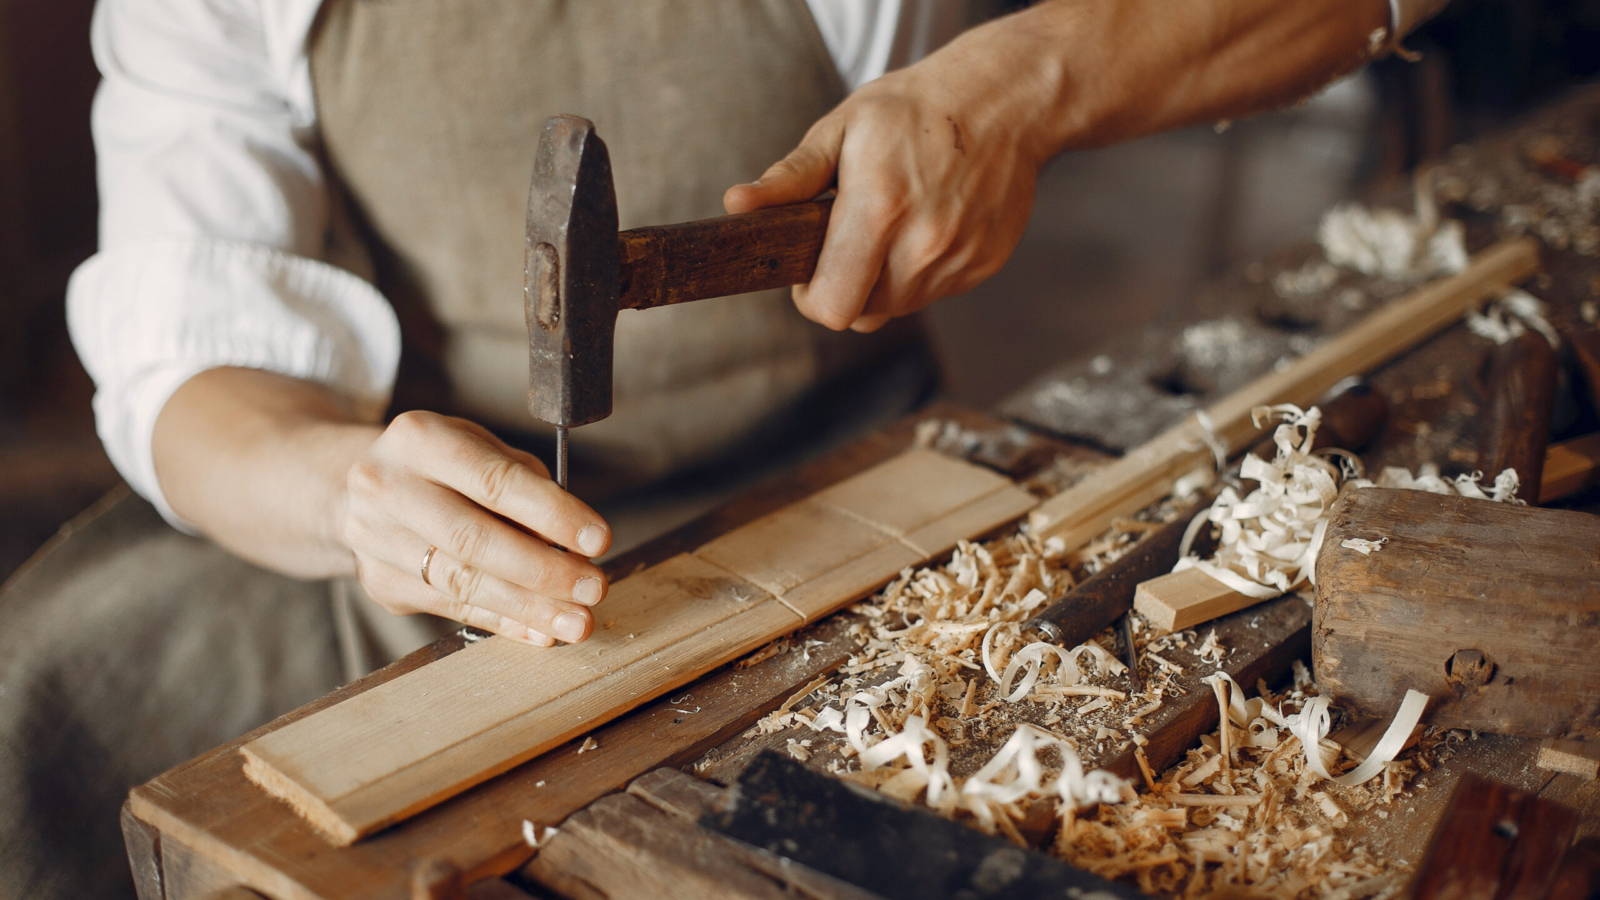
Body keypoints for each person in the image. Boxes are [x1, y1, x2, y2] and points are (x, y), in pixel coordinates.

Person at [0, 0, 1447, 897]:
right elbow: (191, 366)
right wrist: (345, 486)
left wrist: (1032, 81)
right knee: (42, 698)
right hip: (410, 515)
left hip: (829, 486)